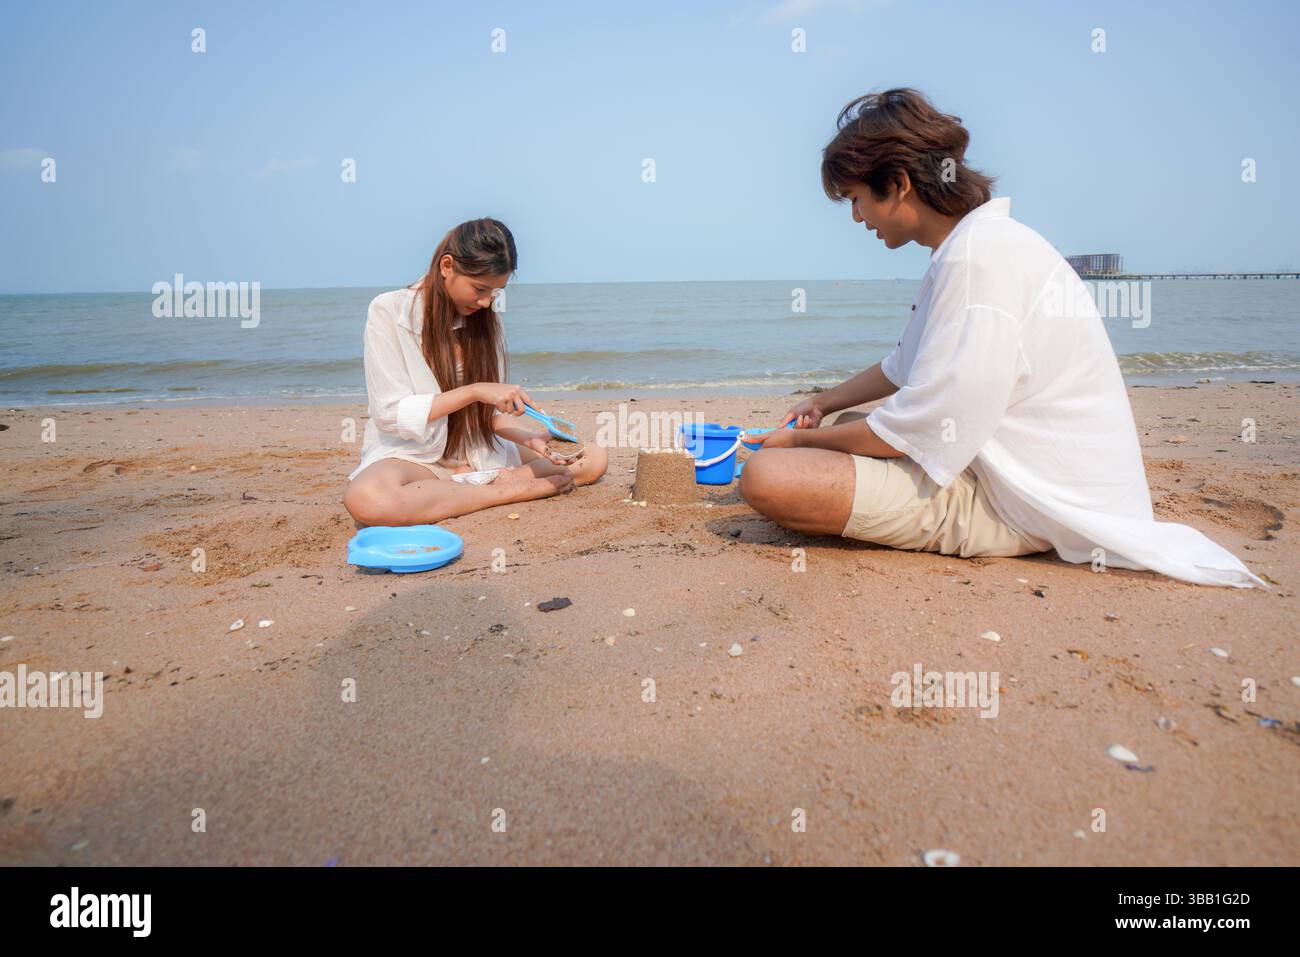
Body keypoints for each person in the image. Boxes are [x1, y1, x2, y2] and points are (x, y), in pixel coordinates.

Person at [740, 89, 1261, 587]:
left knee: (768, 476)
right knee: (848, 425)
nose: (857, 217)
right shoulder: (972, 246)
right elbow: (902, 365)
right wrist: (822, 402)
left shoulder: (976, 262)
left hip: (1029, 505)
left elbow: (925, 425)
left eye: (856, 199)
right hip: (1024, 476)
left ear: (897, 183)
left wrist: (800, 439)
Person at [343, 218, 607, 526]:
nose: (485, 302)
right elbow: (389, 413)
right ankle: (504, 491)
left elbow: (487, 418)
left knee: (594, 457)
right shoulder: (387, 311)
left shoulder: (485, 322)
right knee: (368, 498)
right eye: (479, 288)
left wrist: (529, 439)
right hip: (417, 456)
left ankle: (462, 488)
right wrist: (474, 390)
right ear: (447, 266)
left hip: (477, 450)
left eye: (495, 292)